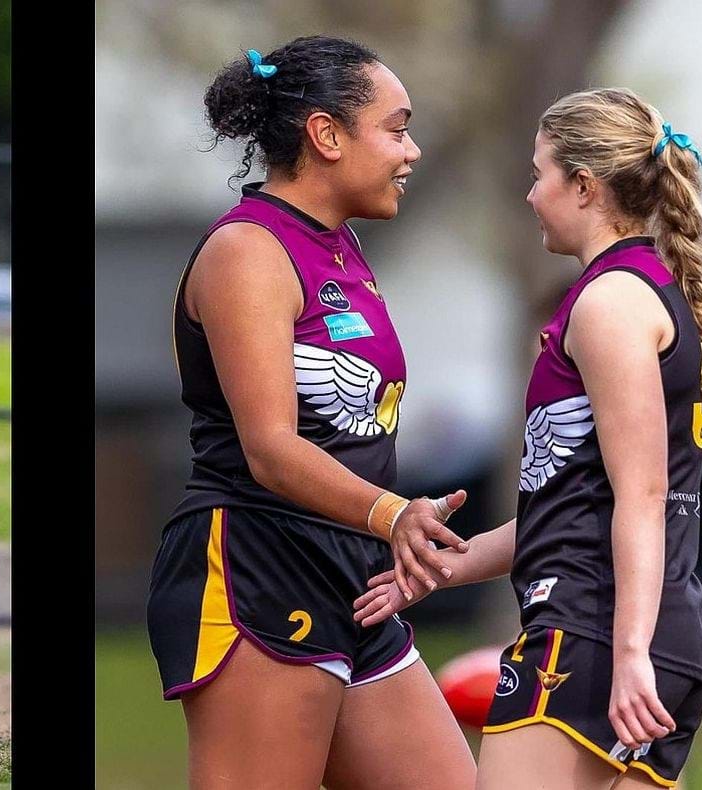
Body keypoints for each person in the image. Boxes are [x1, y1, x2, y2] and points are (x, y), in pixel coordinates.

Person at [352, 88, 702, 790]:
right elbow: (578, 508)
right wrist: (438, 570)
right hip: (646, 637)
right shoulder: (640, 290)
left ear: (583, 186)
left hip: (594, 637)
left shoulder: (609, 304)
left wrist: (629, 650)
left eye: (539, 173)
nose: (530, 195)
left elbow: (643, 496)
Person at [144, 36, 476, 788]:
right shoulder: (247, 251)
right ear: (326, 135)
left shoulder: (342, 247)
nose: (412, 150)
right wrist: (394, 514)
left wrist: (392, 531)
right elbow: (270, 448)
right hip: (257, 562)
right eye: (396, 128)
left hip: (354, 578)